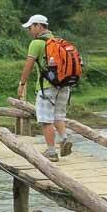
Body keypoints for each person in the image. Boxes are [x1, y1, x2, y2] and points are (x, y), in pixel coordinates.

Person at [18, 14, 72, 160]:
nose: (29, 30)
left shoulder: (37, 43)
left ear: (38, 26)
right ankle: (64, 138)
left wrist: (22, 84)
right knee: (58, 116)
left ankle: (51, 152)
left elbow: (28, 66)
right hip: (64, 85)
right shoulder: (58, 41)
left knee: (46, 120)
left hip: (47, 86)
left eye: (31, 27)